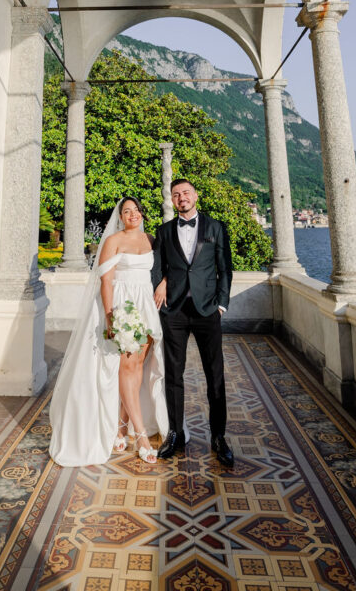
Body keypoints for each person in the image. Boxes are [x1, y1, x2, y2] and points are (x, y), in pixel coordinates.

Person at [49, 196, 169, 466]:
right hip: (123, 306)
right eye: (127, 211)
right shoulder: (113, 241)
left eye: (136, 210)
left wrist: (163, 282)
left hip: (146, 305)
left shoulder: (151, 239)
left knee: (138, 366)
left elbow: (166, 267)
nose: (132, 214)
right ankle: (140, 436)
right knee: (127, 368)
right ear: (120, 217)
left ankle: (121, 425)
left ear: (142, 214)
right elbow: (106, 281)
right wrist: (111, 316)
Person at [152, 178, 234, 467]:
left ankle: (219, 437)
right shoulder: (163, 232)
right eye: (176, 195)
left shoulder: (215, 227)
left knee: (215, 375)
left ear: (195, 195)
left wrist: (221, 304)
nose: (182, 198)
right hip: (173, 311)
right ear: (172, 201)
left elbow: (225, 269)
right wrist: (159, 284)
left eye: (186, 192)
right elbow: (158, 266)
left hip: (207, 310)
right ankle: (175, 433)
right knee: (174, 375)